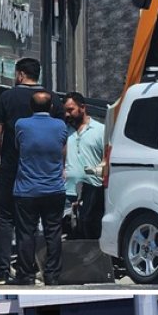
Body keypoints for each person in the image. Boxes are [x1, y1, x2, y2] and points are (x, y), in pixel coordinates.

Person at [0, 58, 64, 283]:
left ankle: (5, 270)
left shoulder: (7, 97)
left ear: (20, 74)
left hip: (12, 166)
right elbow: (62, 139)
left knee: (8, 219)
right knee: (52, 228)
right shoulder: (53, 98)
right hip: (49, 173)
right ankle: (51, 274)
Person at [10, 90, 69, 286]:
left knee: (26, 233)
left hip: (26, 188)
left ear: (31, 107)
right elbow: (63, 151)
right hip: (54, 187)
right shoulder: (60, 125)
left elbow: (18, 147)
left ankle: (25, 274)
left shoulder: (21, 124)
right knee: (53, 232)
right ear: (51, 107)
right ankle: (52, 275)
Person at [62, 92, 106, 240]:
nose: (67, 114)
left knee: (89, 233)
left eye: (71, 110)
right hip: (67, 192)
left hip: (93, 192)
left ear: (82, 107)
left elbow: (107, 161)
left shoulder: (101, 130)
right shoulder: (64, 132)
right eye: (65, 111)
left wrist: (91, 172)